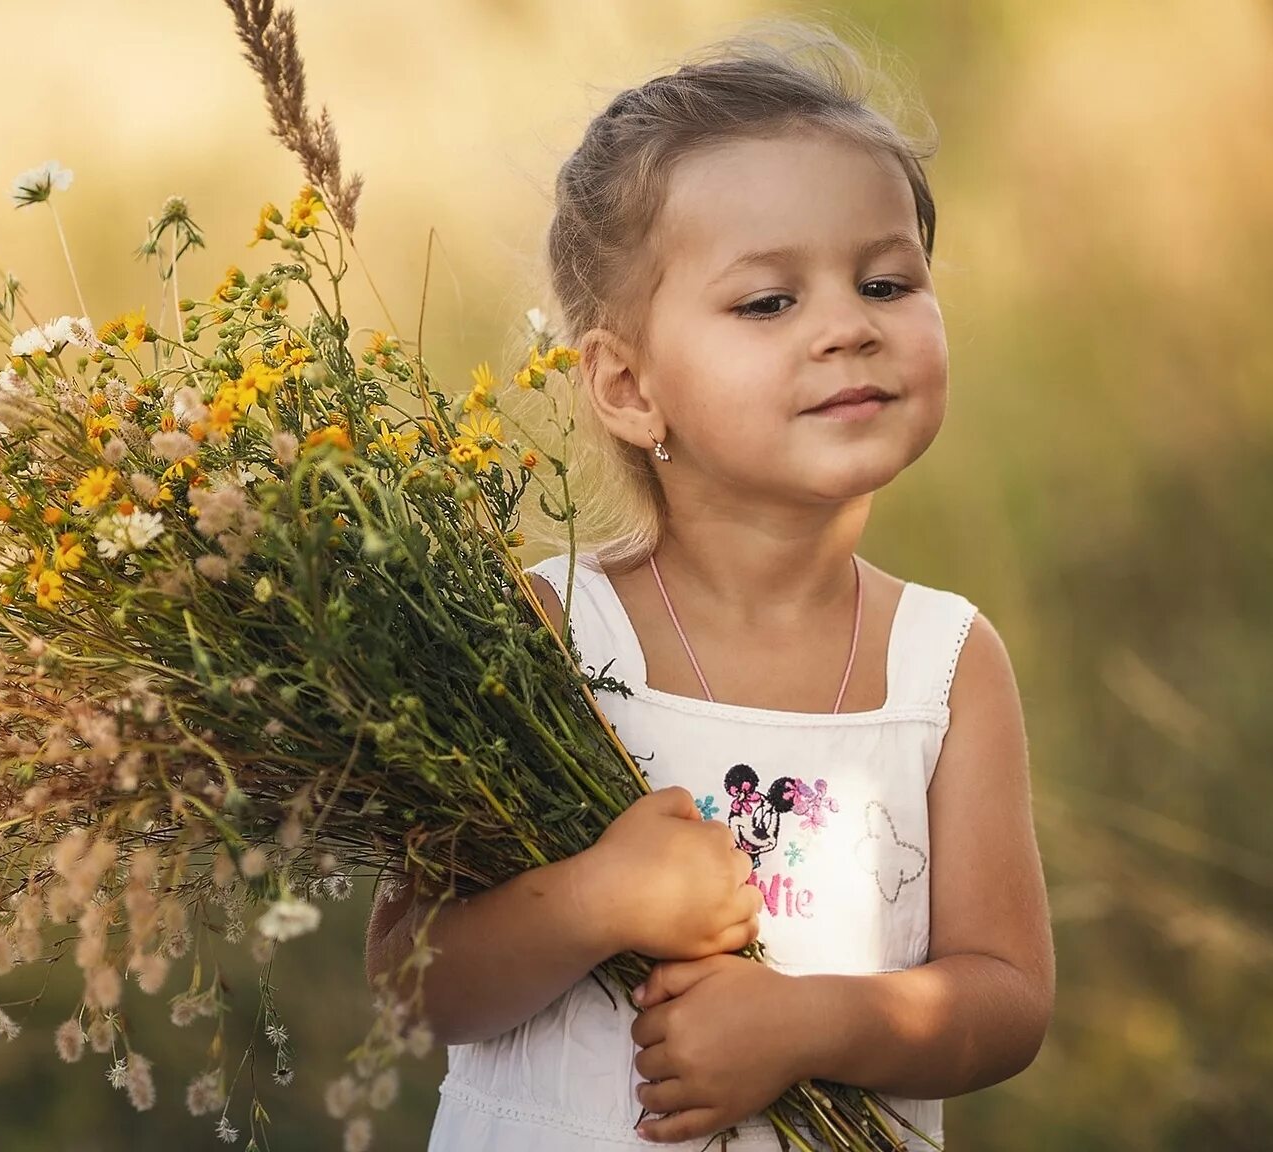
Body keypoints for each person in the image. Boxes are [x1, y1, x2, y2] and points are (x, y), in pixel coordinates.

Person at [366, 18, 1054, 1149]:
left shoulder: (942, 663)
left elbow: (1005, 1001)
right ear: (629, 386)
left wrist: (806, 1023)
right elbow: (411, 983)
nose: (844, 327)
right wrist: (595, 900)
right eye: (766, 303)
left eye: (884, 282)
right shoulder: (555, 634)